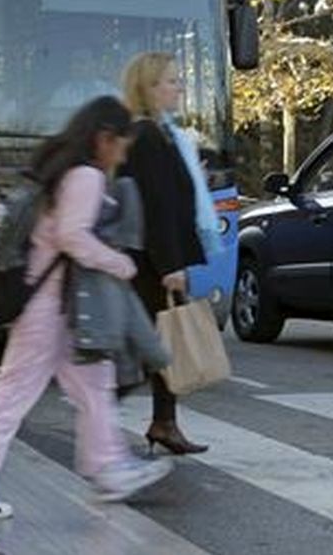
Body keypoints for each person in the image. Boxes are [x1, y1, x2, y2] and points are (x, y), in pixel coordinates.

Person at [0, 96, 173, 521]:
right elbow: (72, 237)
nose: (124, 152)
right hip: (49, 309)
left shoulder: (62, 168)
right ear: (104, 138)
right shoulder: (85, 175)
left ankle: (109, 468)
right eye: (122, 143)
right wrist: (119, 263)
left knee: (95, 384)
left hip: (62, 306)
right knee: (12, 397)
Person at [120, 52, 223, 456]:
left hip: (151, 259)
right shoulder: (148, 136)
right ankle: (105, 418)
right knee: (154, 345)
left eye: (179, 80)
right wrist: (171, 266)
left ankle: (164, 422)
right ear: (148, 89)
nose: (179, 87)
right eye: (170, 81)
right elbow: (157, 207)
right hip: (152, 262)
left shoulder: (161, 134)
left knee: (161, 344)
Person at [44, 48, 117, 129]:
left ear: (94, 64)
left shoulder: (109, 91)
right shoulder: (61, 94)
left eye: (82, 62)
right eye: (73, 63)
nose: (76, 66)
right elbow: (52, 122)